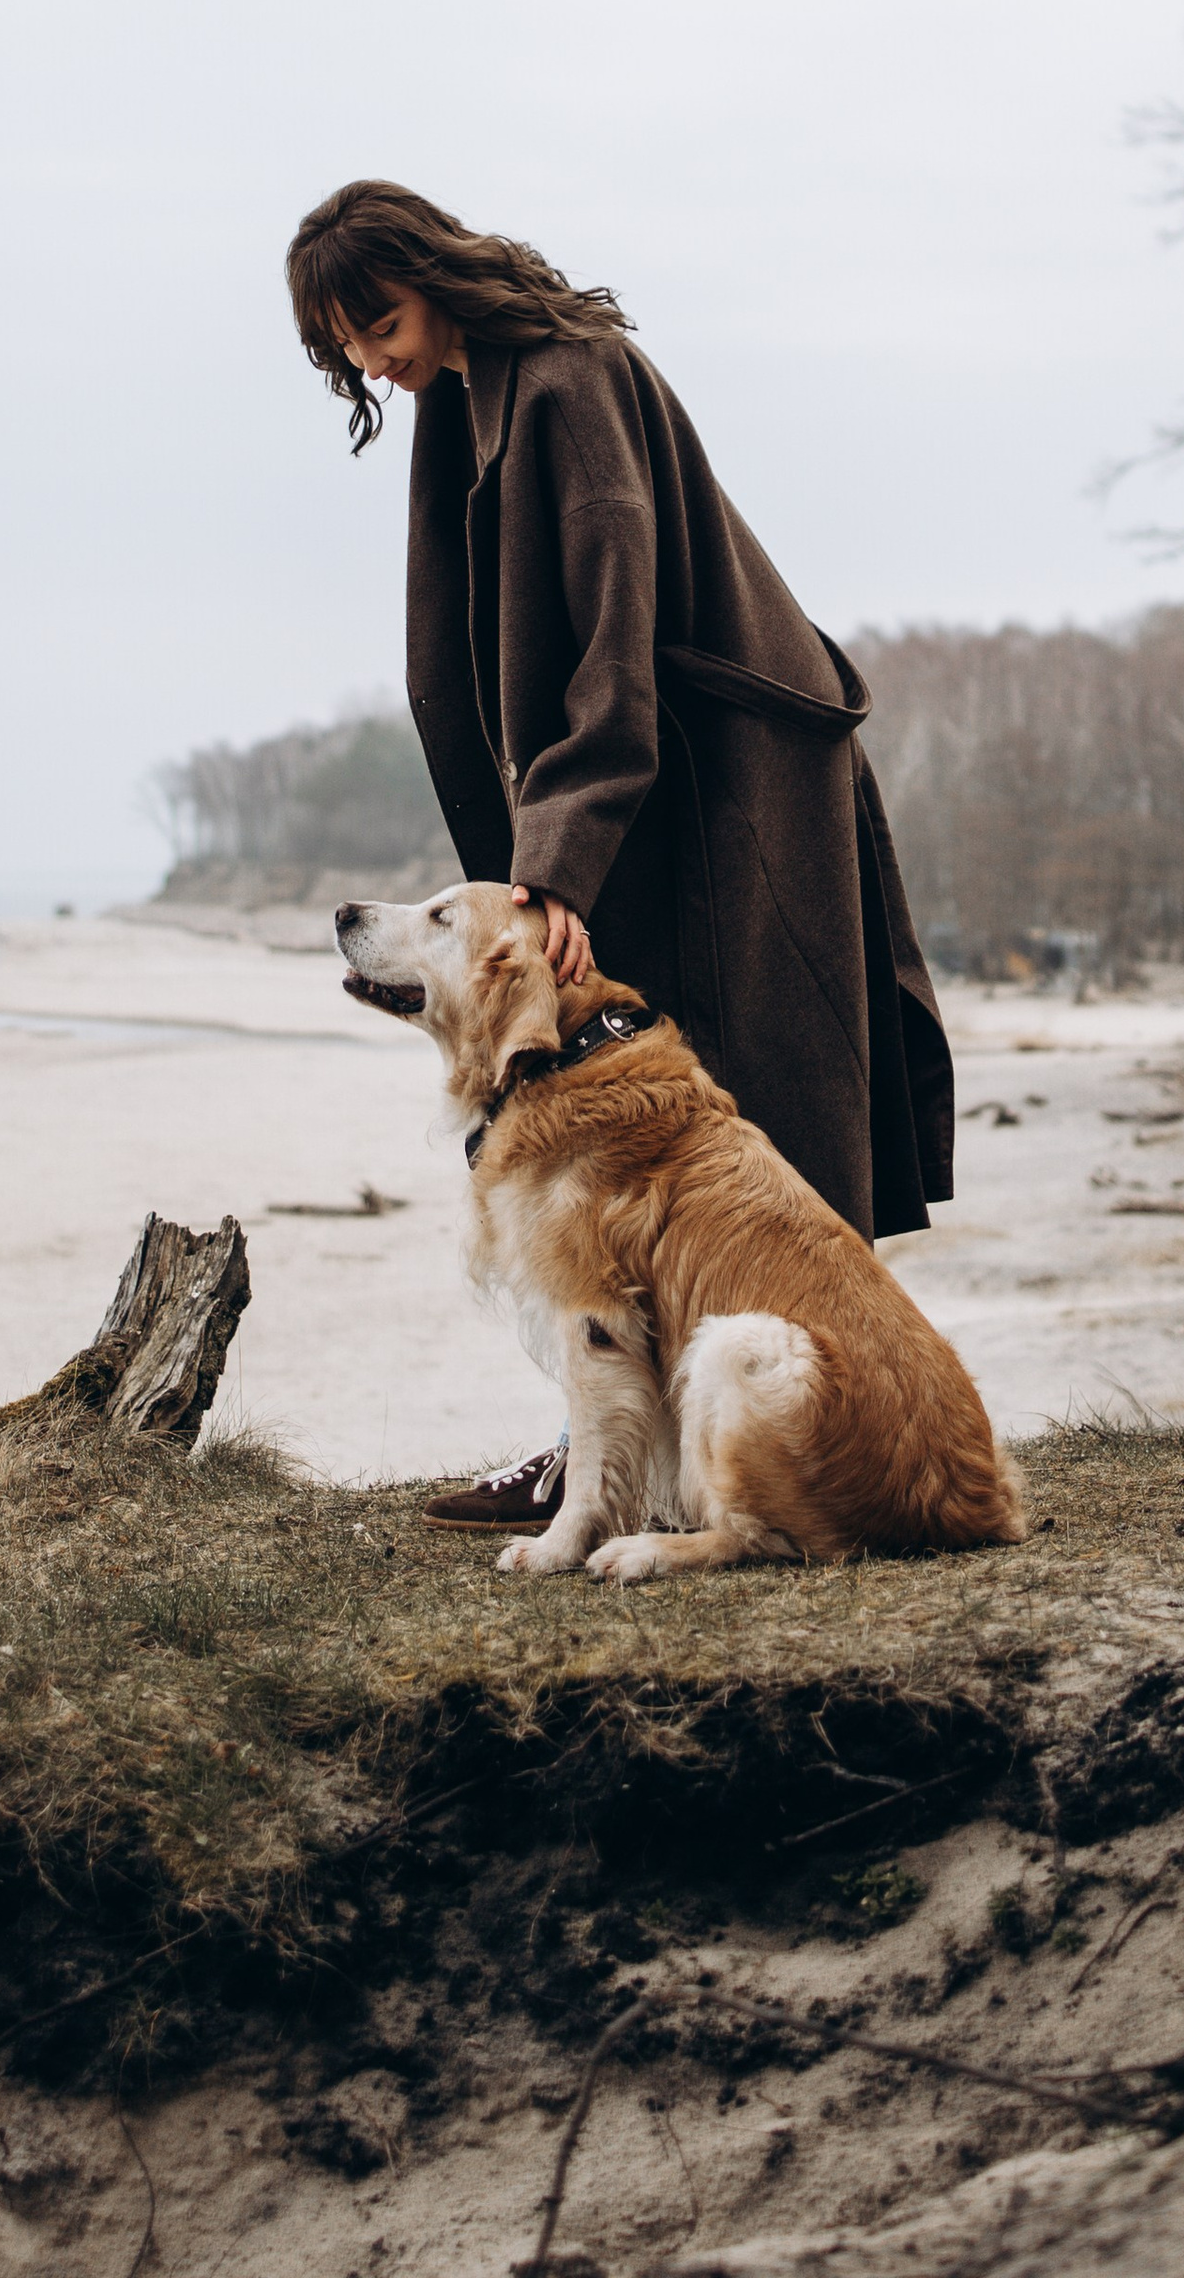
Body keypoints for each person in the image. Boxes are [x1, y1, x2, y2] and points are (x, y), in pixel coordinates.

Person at [285, 179, 954, 1530]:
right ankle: (611, 1456)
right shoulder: (464, 396)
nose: (371, 358)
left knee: (752, 1125)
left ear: (438, 276)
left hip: (729, 781)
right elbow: (471, 659)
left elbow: (611, 630)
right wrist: (547, 854)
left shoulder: (568, 377)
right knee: (625, 1156)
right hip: (641, 787)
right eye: (344, 344)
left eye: (381, 320)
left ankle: (817, 1444)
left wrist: (557, 870)